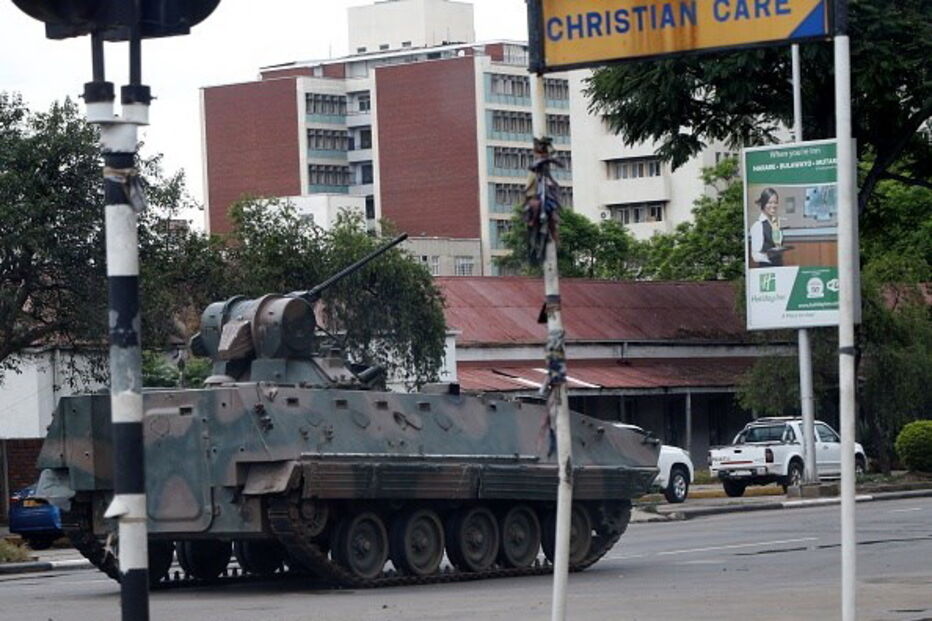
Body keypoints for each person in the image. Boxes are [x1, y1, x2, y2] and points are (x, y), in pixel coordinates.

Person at [749, 187, 785, 267]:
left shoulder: (775, 223)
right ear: (763, 204)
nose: (773, 205)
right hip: (766, 269)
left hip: (779, 267)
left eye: (775, 202)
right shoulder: (758, 225)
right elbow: (755, 255)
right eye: (770, 202)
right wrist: (768, 257)